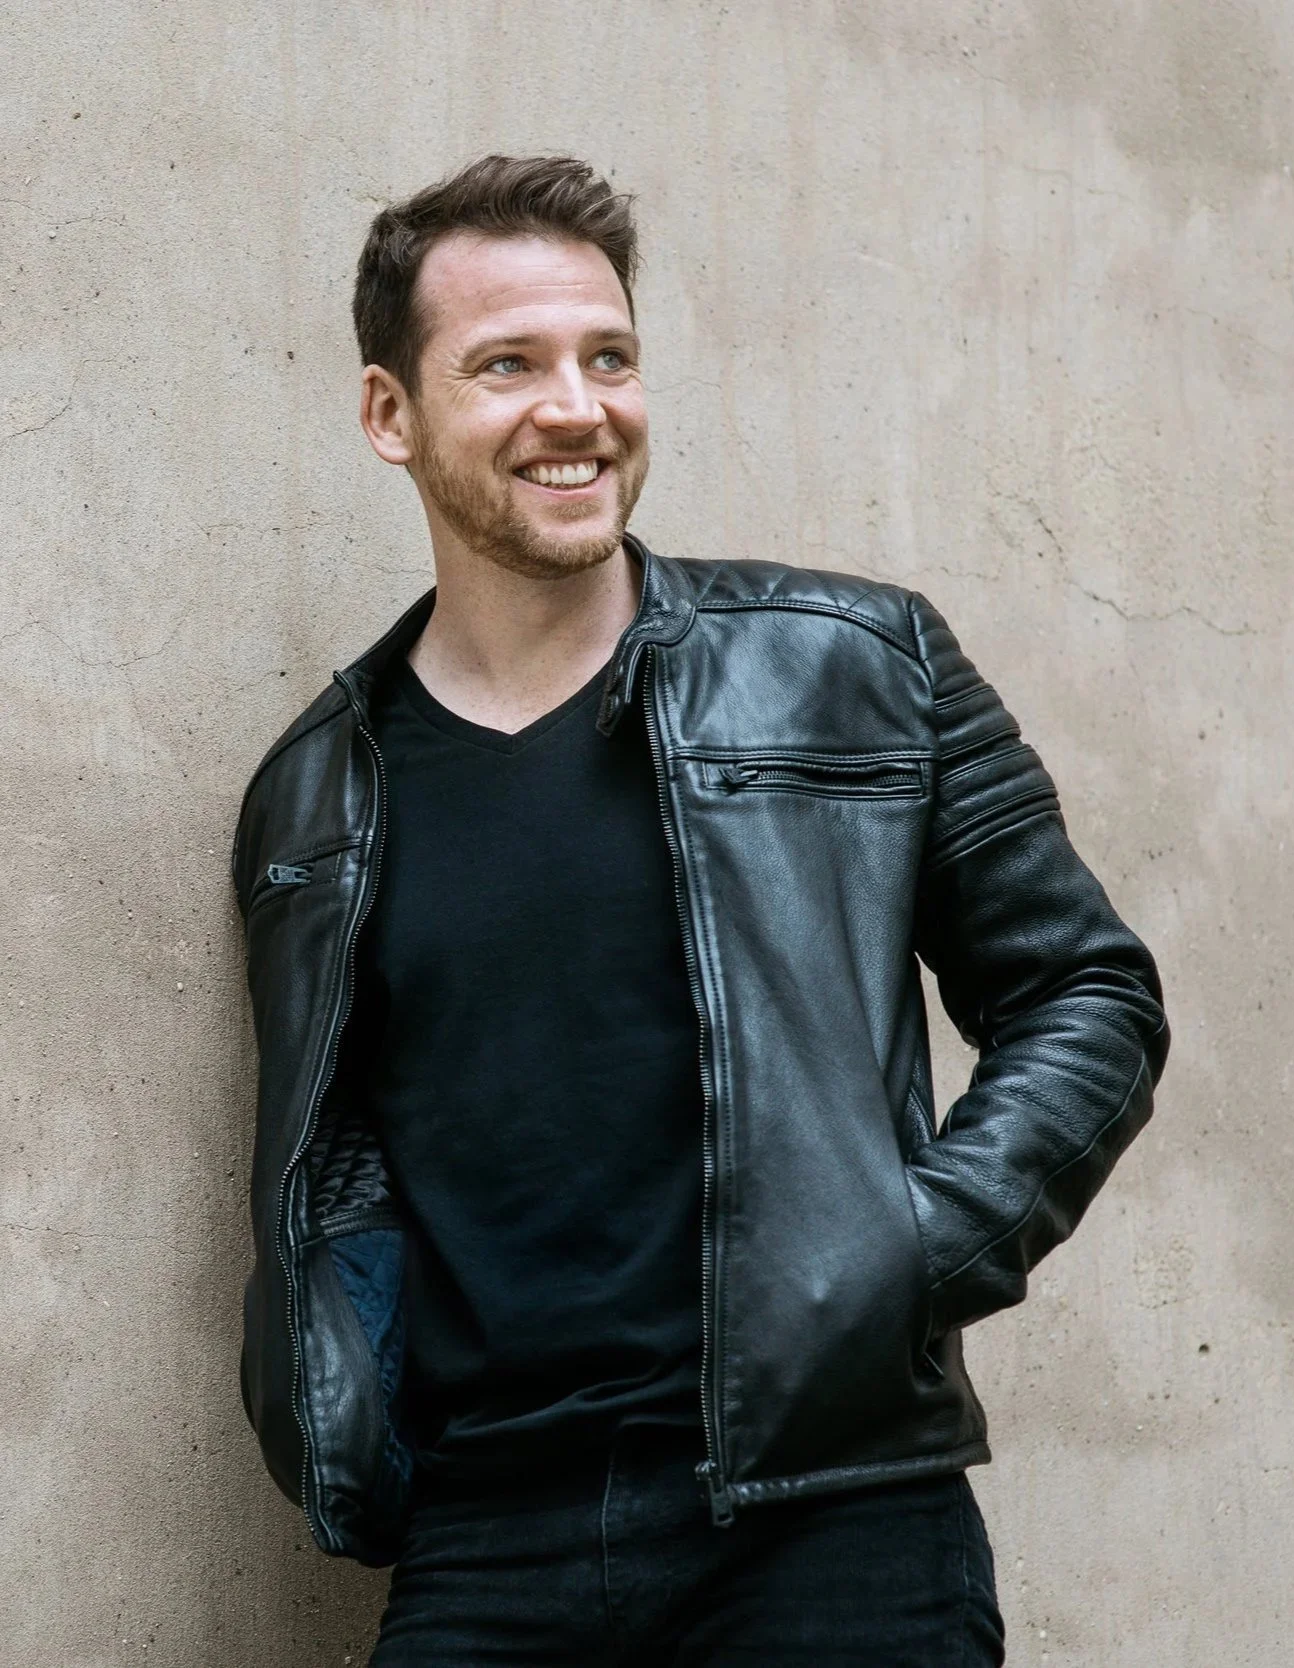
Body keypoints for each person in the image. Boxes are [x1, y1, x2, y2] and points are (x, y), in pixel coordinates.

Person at [231, 154, 1169, 1666]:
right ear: (388, 416)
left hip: (829, 1521)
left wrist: (908, 1248)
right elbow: (330, 1169)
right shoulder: (314, 795)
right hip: (485, 1539)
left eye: (608, 357)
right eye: (507, 364)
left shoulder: (859, 661)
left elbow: (1084, 994)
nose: (577, 406)